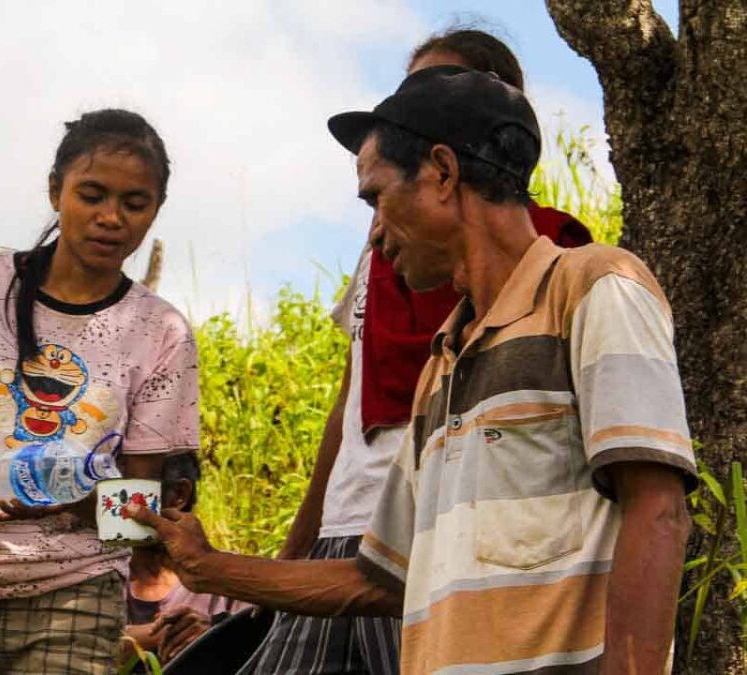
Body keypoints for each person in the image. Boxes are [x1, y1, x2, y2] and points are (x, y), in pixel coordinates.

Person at [132, 66, 695, 674]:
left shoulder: (592, 287)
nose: (374, 233)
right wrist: (205, 565)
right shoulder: (442, 365)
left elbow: (657, 510)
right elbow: (378, 580)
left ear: (442, 173)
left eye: (376, 197)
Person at [253, 29, 591, 675]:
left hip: (442, 538)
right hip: (346, 528)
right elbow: (348, 408)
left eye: (439, 91)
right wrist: (290, 555)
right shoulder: (387, 251)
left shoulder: (551, 261)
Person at [0, 108, 200, 674]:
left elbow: (138, 503)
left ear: (155, 211)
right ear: (56, 191)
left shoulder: (162, 331)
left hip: (76, 594)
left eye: (134, 204)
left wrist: (64, 499)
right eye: (92, 195)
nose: (111, 218)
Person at [121, 452, 247, 667]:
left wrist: (213, 631)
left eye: (130, 488)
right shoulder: (95, 575)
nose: (116, 503)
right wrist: (161, 634)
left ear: (179, 494)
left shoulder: (230, 578)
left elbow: (257, 641)